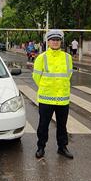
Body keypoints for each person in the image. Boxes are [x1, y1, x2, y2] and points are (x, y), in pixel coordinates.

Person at [33, 29, 74, 160]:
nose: (55, 42)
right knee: (43, 125)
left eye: (57, 40)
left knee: (62, 125)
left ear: (61, 42)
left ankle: (62, 147)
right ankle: (41, 147)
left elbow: (69, 75)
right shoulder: (41, 58)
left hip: (62, 98)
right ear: (48, 42)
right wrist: (48, 87)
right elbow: (36, 77)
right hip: (46, 98)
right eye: (52, 40)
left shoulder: (68, 57)